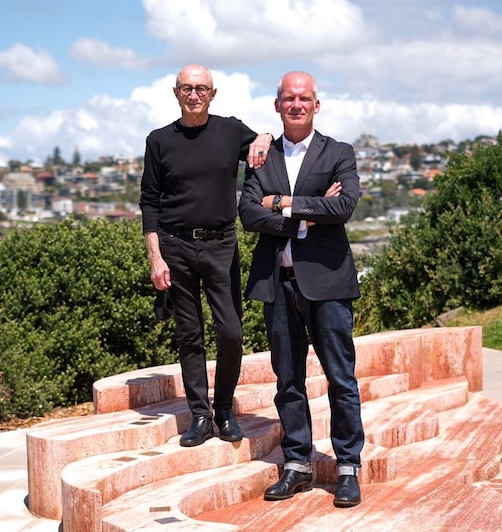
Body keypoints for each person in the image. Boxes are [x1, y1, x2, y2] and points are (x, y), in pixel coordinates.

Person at [238, 71, 365, 508]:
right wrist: (309, 212)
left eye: (304, 98)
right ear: (277, 106)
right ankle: (298, 465)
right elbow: (249, 214)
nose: (296, 104)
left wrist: (283, 202)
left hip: (327, 284)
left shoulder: (339, 152)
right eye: (288, 98)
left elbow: (344, 206)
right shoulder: (261, 157)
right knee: (287, 381)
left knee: (341, 378)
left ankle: (348, 466)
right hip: (278, 283)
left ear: (316, 104)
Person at [140, 64, 272, 447]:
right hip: (175, 246)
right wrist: (155, 257)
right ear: (176, 92)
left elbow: (262, 142)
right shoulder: (159, 140)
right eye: (186, 88)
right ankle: (200, 415)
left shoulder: (230, 130)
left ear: (212, 93)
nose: (193, 95)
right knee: (189, 334)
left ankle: (225, 408)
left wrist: (263, 136)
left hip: (221, 244)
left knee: (230, 332)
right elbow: (149, 201)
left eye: (201, 88)